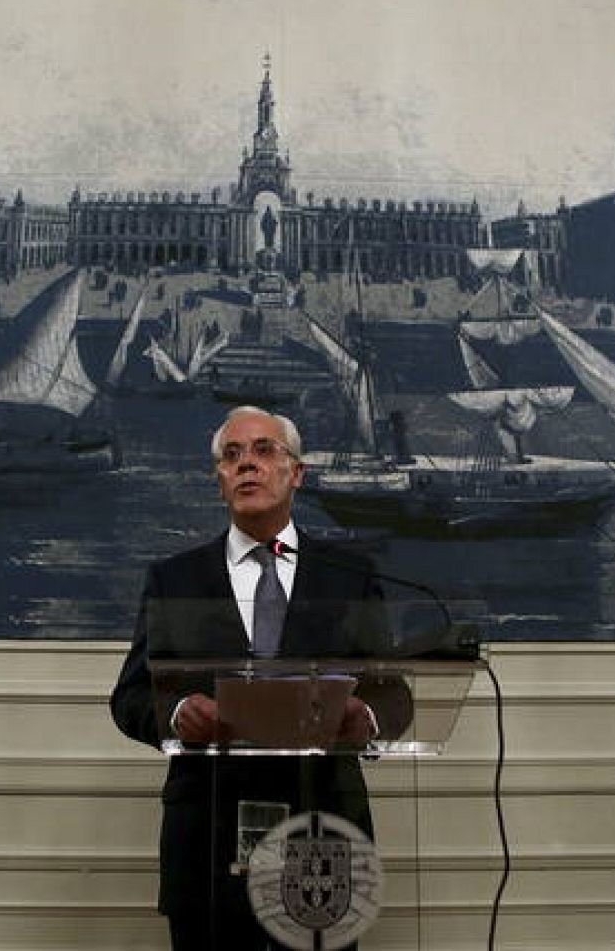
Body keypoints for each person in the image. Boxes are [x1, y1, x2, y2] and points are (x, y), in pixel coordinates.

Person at [110, 405, 406, 950]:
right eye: (232, 455)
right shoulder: (175, 578)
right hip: (208, 831)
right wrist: (178, 715)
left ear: (297, 473)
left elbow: (393, 696)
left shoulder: (350, 575)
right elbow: (130, 697)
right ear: (220, 480)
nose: (246, 463)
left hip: (323, 822)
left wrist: (362, 717)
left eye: (264, 450)